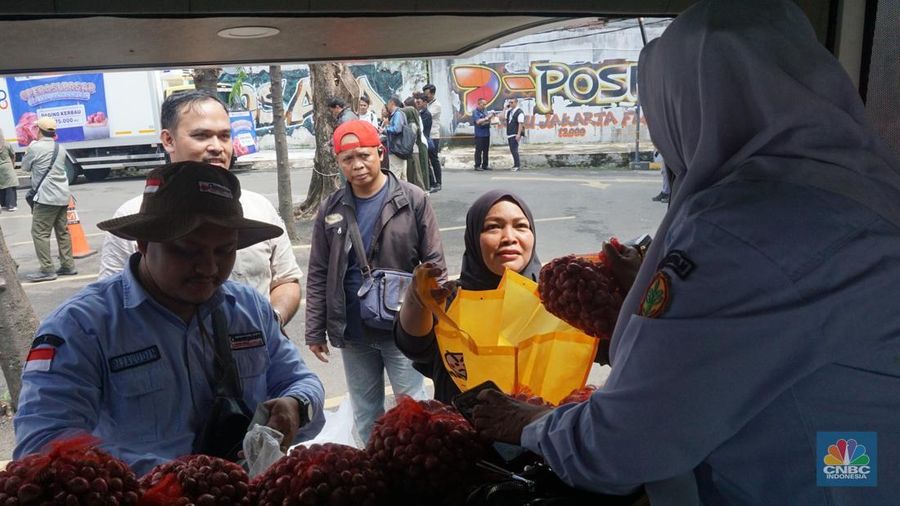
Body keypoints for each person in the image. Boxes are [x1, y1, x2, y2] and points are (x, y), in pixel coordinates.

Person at [472, 0, 900, 503]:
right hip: (857, 465)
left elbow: (623, 448)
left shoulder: (740, 225)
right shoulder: (863, 188)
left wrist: (535, 423)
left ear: (685, 105)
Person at [14, 162, 325, 476]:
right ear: (144, 243)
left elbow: (299, 380)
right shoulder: (80, 328)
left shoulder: (249, 309)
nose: (208, 267)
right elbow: (42, 444)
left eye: (224, 251)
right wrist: (177, 477)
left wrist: (297, 405)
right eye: (187, 251)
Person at [99, 91, 303, 326]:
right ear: (168, 140)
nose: (217, 147)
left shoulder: (260, 208)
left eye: (224, 136)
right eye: (201, 135)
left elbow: (286, 280)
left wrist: (269, 326)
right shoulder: (134, 217)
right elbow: (113, 301)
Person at [305, 120, 446, 443]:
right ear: (338, 163)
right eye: (347, 159)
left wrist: (436, 323)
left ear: (380, 153)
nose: (357, 165)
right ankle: (375, 477)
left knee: (414, 407)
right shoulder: (332, 207)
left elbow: (435, 265)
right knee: (366, 413)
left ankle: (419, 470)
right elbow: (318, 270)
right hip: (353, 331)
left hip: (404, 329)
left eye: (364, 155)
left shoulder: (411, 199)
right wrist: (315, 329)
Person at [396, 190, 541, 403]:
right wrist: (416, 298)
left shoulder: (557, 301)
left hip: (544, 431)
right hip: (461, 430)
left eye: (520, 226)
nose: (509, 238)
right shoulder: (450, 299)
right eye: (493, 227)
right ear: (473, 237)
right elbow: (413, 344)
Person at [21, 117, 76, 282]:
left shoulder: (35, 148)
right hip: (62, 196)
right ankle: (68, 265)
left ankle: (47, 269)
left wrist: (28, 149)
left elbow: (25, 167)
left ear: (39, 130)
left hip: (46, 197)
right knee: (63, 232)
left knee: (39, 233)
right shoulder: (60, 147)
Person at [402, 97, 430, 192]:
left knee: (418, 171)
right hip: (416, 147)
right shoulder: (414, 118)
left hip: (417, 147)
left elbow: (412, 137)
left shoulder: (413, 124)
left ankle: (423, 190)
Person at [413, 93, 438, 193]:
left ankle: (433, 183)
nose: (417, 104)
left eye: (419, 102)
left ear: (425, 103)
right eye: (416, 102)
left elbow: (422, 129)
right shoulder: (420, 113)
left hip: (426, 141)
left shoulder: (426, 114)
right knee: (426, 163)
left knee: (428, 163)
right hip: (425, 140)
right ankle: (432, 182)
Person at [381, 96, 408, 181]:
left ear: (392, 103)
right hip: (400, 148)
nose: (387, 107)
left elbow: (397, 129)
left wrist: (385, 130)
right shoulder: (400, 113)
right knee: (403, 175)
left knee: (395, 173)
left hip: (396, 148)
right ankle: (404, 193)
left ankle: (395, 193)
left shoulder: (398, 114)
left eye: (388, 104)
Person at [422, 84, 443, 192]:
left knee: (434, 159)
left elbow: (427, 115)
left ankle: (438, 183)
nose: (426, 96)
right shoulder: (427, 104)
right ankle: (431, 182)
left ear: (433, 93)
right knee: (426, 160)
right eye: (424, 94)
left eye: (427, 94)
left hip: (433, 136)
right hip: (426, 135)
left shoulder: (436, 105)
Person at [504, 98, 525, 172]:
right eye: (509, 102)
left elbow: (520, 123)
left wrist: (518, 134)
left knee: (514, 149)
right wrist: (505, 109)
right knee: (512, 150)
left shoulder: (519, 112)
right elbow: (502, 117)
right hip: (510, 133)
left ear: (516, 103)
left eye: (512, 102)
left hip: (515, 133)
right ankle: (515, 164)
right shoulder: (509, 111)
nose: (510, 104)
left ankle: (517, 165)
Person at [472, 98, 493, 171]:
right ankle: (477, 165)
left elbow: (487, 121)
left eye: (485, 104)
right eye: (483, 104)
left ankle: (485, 165)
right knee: (478, 150)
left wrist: (488, 120)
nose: (484, 106)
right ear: (479, 104)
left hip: (486, 133)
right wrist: (486, 118)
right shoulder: (475, 112)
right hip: (479, 134)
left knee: (486, 150)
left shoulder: (485, 111)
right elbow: (478, 122)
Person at [0, 129, 18, 212]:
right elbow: (13, 155)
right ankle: (11, 205)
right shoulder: (6, 144)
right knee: (10, 186)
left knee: (1, 186)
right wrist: (12, 165)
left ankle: (3, 204)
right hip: (7, 167)